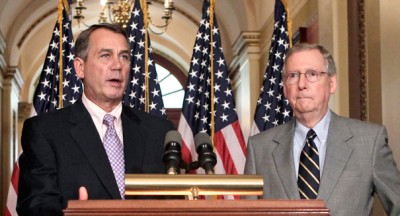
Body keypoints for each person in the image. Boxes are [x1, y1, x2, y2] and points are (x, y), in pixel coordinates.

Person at [17, 23, 175, 215]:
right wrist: (75, 212)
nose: (117, 65)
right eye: (105, 55)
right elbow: (35, 205)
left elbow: (175, 202)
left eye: (124, 56)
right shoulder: (45, 131)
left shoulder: (159, 131)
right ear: (80, 68)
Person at [244, 43, 400, 215]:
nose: (302, 84)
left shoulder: (370, 142)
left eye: (312, 74)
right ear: (285, 88)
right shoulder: (259, 148)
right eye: (293, 75)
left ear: (332, 83)